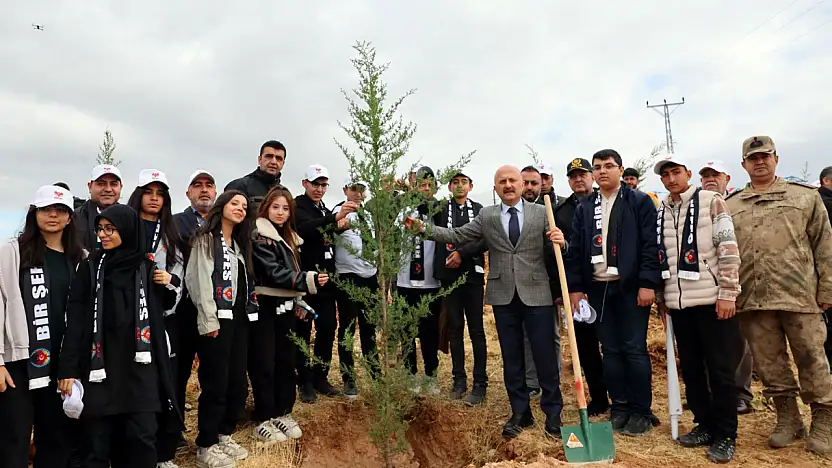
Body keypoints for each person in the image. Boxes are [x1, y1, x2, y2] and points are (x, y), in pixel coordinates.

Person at [407, 165, 566, 439]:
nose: (508, 185)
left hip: (537, 293)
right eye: (502, 181)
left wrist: (562, 242)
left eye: (512, 180)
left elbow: (559, 248)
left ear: (521, 185)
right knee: (511, 357)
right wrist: (424, 229)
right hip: (503, 295)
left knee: (544, 356)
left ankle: (553, 413)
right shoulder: (488, 215)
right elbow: (457, 236)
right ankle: (520, 412)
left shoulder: (542, 213)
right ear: (495, 188)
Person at [726, 135, 832, 455]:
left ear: (776, 158)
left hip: (799, 296)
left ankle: (824, 420)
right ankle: (789, 419)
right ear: (743, 164)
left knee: (812, 358)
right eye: (753, 158)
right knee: (769, 364)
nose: (759, 161)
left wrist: (827, 287)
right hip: (754, 299)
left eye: (765, 156)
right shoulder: (732, 205)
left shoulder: (805, 197)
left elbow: (824, 244)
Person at [58, 205, 181, 468]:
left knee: (142, 439)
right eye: (100, 229)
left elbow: (166, 306)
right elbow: (75, 321)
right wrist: (68, 368)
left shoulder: (147, 269)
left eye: (110, 229)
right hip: (99, 370)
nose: (102, 234)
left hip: (141, 372)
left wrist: (170, 282)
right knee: (97, 445)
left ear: (127, 230)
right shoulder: (89, 268)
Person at [654, 156, 743, 463]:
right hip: (679, 304)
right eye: (665, 174)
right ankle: (704, 424)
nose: (671, 178)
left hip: (711, 300)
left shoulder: (711, 201)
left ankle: (726, 434)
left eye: (676, 172)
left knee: (720, 371)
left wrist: (728, 293)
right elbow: (662, 256)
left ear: (688, 173)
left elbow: (727, 249)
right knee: (691, 370)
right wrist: (663, 298)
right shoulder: (662, 210)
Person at [566, 149, 661, 437]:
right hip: (598, 288)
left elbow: (650, 245)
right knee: (609, 350)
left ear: (620, 169)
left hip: (630, 287)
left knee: (633, 349)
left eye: (609, 166)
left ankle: (641, 411)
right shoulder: (585, 207)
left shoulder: (639, 201)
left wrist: (648, 283)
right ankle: (619, 407)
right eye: (598, 167)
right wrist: (576, 288)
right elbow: (575, 250)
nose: (603, 171)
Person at [0, 186, 86, 468]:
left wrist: (74, 365)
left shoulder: (81, 259)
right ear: (34, 213)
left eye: (60, 210)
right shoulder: (12, 252)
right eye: (46, 209)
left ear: (70, 217)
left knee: (56, 440)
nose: (53, 215)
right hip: (18, 363)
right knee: (14, 438)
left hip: (61, 365)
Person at [185, 191, 258, 468]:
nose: (240, 208)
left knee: (236, 381)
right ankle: (206, 445)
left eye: (244, 206)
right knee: (215, 383)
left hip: (238, 321)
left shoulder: (238, 245)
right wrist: (208, 321)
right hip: (216, 320)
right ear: (221, 207)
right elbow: (199, 281)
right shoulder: (206, 241)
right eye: (234, 203)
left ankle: (224, 434)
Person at [249, 185, 327, 443]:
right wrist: (307, 280)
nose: (280, 212)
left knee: (286, 359)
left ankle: (283, 412)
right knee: (264, 361)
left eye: (285, 208)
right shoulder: (259, 235)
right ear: (266, 208)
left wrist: (300, 297)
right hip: (264, 305)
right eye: (275, 207)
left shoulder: (290, 238)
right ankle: (264, 417)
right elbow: (272, 272)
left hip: (286, 305)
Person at [126, 169, 187, 468]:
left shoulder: (171, 234)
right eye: (148, 192)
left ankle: (164, 454)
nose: (154, 198)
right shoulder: (124, 228)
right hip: (127, 321)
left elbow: (180, 277)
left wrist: (169, 281)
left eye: (160, 193)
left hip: (162, 321)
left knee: (166, 385)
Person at [294, 164, 356, 402]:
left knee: (328, 328)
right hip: (306, 282)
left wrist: (338, 228)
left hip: (327, 283)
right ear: (305, 184)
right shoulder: (298, 206)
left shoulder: (322, 208)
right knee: (303, 332)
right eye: (315, 184)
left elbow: (324, 235)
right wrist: (334, 218)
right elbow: (306, 229)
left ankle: (320, 376)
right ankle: (304, 381)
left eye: (323, 185)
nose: (319, 189)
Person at [553, 158, 608, 416]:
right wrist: (560, 290)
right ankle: (598, 397)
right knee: (586, 348)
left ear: (592, 176)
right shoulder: (559, 211)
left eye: (582, 174)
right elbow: (553, 255)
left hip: (605, 284)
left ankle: (623, 398)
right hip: (576, 289)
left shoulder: (605, 202)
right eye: (573, 176)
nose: (578, 179)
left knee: (613, 344)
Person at [698, 160, 754, 415]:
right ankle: (712, 391)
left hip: (737, 281)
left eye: (716, 175)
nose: (710, 179)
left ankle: (740, 393)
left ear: (727, 178)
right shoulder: (698, 206)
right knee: (708, 343)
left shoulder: (738, 203)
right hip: (706, 286)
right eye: (706, 176)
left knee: (738, 342)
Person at [433, 171, 488, 405]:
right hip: (449, 277)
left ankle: (480, 383)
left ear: (471, 186)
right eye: (454, 182)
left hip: (472, 275)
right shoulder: (441, 209)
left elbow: (485, 239)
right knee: (455, 328)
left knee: (477, 330)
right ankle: (459, 380)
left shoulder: (480, 210)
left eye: (463, 182)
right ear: (448, 187)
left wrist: (462, 254)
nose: (459, 186)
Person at [172, 169, 217, 423]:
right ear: (188, 192)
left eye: (209, 185)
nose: (204, 190)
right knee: (179, 371)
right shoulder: (175, 222)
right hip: (184, 308)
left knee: (212, 372)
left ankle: (211, 429)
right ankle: (175, 427)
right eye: (198, 185)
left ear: (216, 192)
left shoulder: (223, 223)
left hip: (215, 308)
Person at [398, 166, 444, 395]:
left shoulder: (439, 209)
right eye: (421, 185)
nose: (425, 189)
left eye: (429, 185)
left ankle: (430, 374)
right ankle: (410, 374)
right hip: (404, 282)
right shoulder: (402, 207)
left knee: (430, 332)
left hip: (431, 282)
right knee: (407, 332)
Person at [332, 178, 380, 399]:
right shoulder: (338, 211)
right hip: (348, 277)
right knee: (348, 329)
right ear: (345, 190)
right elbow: (329, 233)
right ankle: (348, 378)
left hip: (370, 277)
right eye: (353, 189)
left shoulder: (368, 214)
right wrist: (338, 226)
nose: (358, 193)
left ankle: (375, 373)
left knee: (369, 329)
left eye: (361, 189)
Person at [225, 141, 286, 213]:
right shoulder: (239, 186)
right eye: (269, 156)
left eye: (278, 158)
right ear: (259, 160)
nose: (273, 162)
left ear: (283, 164)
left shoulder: (285, 193)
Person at [74, 164, 123, 251]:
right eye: (101, 184)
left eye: (114, 184)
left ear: (121, 187)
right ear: (90, 186)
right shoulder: (75, 217)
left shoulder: (129, 218)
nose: (108, 189)